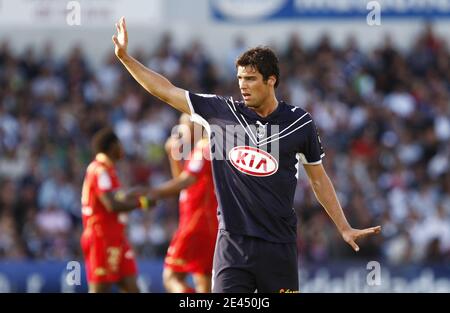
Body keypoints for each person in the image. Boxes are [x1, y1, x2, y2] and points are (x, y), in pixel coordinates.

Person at [112, 17, 381, 293]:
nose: (243, 85)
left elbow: (319, 180)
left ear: (271, 80)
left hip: (279, 248)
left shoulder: (299, 123)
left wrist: (344, 226)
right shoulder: (220, 113)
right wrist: (126, 58)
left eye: (251, 79)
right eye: (240, 78)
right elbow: (166, 91)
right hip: (233, 245)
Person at [148, 113, 218, 293]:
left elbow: (185, 181)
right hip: (210, 225)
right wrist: (173, 157)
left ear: (197, 126)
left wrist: (153, 193)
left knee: (171, 277)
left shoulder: (203, 149)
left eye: (184, 126)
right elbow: (184, 182)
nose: (181, 132)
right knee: (204, 283)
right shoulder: (205, 150)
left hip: (196, 223)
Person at [80, 127, 153, 293]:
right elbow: (111, 205)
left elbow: (116, 198)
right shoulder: (99, 170)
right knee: (100, 289)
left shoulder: (108, 170)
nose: (122, 148)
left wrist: (135, 193)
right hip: (101, 237)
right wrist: (142, 203)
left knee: (132, 288)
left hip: (116, 237)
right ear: (112, 146)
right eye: (119, 143)